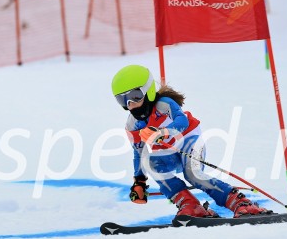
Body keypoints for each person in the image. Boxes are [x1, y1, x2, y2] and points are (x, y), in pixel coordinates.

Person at [111, 64, 268, 219]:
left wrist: (163, 132)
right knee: (151, 163)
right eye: (123, 100)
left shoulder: (163, 104)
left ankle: (240, 202)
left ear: (148, 90)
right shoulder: (133, 125)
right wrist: (139, 181)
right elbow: (139, 152)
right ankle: (190, 205)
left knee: (192, 173)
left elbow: (182, 122)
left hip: (189, 140)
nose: (130, 104)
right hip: (169, 152)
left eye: (135, 96)